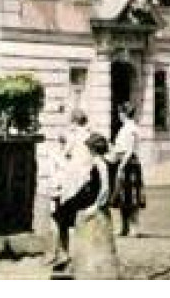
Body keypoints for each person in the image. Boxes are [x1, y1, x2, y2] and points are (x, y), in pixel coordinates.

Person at [50, 132, 110, 269]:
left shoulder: (101, 163)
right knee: (61, 211)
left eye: (89, 148)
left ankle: (64, 253)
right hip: (86, 194)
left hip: (89, 198)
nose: (88, 150)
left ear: (93, 149)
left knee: (62, 214)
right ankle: (63, 253)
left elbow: (105, 188)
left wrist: (96, 206)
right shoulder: (98, 162)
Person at [109, 104, 145, 236]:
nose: (119, 115)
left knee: (131, 197)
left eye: (120, 113)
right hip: (124, 161)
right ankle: (124, 227)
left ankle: (134, 228)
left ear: (124, 113)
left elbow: (129, 150)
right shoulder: (126, 128)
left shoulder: (131, 128)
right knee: (123, 197)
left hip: (129, 164)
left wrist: (121, 166)